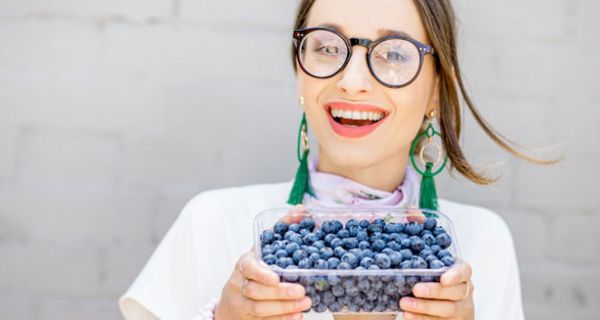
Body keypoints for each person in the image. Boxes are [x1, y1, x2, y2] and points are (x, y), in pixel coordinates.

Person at [119, 0, 556, 319]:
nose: (351, 81)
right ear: (299, 75)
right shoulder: (212, 223)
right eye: (327, 47)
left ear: (437, 92)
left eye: (394, 53)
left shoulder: (480, 244)